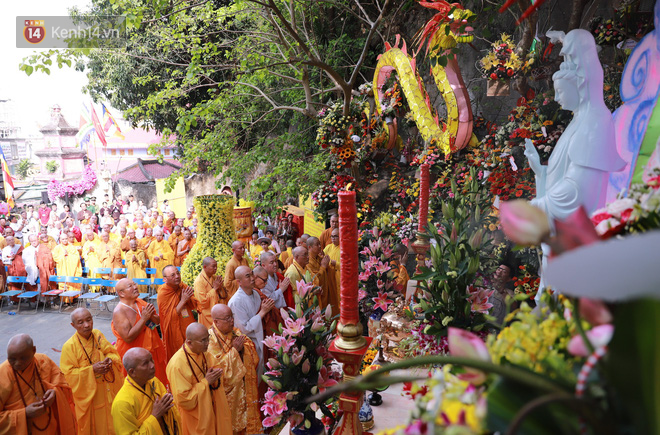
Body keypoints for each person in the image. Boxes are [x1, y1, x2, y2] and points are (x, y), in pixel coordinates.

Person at [60, 308, 124, 434]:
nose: (87, 325)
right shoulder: (69, 346)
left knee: (112, 424)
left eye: (89, 320)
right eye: (81, 322)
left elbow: (112, 353)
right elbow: (67, 376)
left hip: (107, 391)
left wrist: (110, 360)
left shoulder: (97, 335)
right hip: (89, 397)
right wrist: (91, 370)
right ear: (73, 325)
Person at [0, 334, 77, 434]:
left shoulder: (42, 361)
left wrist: (54, 392)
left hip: (50, 427)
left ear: (33, 350)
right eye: (12, 359)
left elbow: (61, 383)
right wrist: (24, 414)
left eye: (23, 358)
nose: (17, 363)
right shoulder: (3, 375)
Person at [166, 323, 232, 435]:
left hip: (210, 408)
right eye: (203, 340)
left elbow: (216, 367)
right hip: (193, 417)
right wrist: (206, 382)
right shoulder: (177, 364)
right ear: (189, 342)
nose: (208, 343)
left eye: (208, 338)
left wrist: (215, 374)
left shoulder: (202, 352)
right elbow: (184, 399)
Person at [208, 304, 261, 434]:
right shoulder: (210, 340)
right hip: (226, 395)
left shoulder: (235, 332)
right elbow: (216, 370)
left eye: (232, 317)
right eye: (227, 318)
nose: (232, 321)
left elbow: (250, 350)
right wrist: (234, 351)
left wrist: (243, 349)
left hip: (242, 388)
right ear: (216, 322)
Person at [111, 278, 168, 386]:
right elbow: (128, 338)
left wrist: (151, 316)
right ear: (121, 293)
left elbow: (157, 322)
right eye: (130, 286)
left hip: (151, 350)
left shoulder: (140, 302)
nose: (135, 287)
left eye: (134, 284)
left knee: (156, 382)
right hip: (133, 355)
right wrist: (144, 318)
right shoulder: (119, 311)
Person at [112, 348, 181, 434]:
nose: (152, 365)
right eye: (145, 363)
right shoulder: (122, 403)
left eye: (151, 360)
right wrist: (155, 416)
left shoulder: (154, 382)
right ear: (132, 372)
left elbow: (170, 409)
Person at [227, 266, 275, 371]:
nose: (252, 278)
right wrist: (263, 312)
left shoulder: (256, 293)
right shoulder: (236, 301)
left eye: (252, 274)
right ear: (239, 281)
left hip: (260, 337)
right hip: (248, 344)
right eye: (248, 276)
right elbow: (244, 329)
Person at [158, 265, 198, 361]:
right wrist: (183, 300)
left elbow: (193, 303)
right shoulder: (163, 293)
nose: (177, 276)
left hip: (186, 321)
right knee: (180, 354)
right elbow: (168, 317)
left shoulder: (182, 286)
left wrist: (189, 298)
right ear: (165, 279)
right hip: (174, 328)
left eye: (177, 273)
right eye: (172, 275)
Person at [252, 265, 286, 338]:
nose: (266, 283)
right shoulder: (253, 293)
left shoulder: (259, 292)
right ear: (255, 277)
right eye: (264, 280)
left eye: (267, 280)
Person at [194, 257, 227, 329]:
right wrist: (214, 289)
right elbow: (202, 302)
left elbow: (223, 295)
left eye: (216, 266)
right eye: (213, 266)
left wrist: (221, 288)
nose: (215, 268)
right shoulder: (199, 281)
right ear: (205, 267)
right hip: (206, 315)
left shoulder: (214, 277)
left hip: (217, 312)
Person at [306, 236, 337, 311]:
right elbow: (314, 279)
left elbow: (329, 272)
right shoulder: (308, 261)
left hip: (326, 291)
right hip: (318, 294)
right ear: (310, 247)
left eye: (320, 244)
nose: (320, 246)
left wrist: (329, 266)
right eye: (317, 244)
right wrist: (323, 266)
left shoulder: (319, 257)